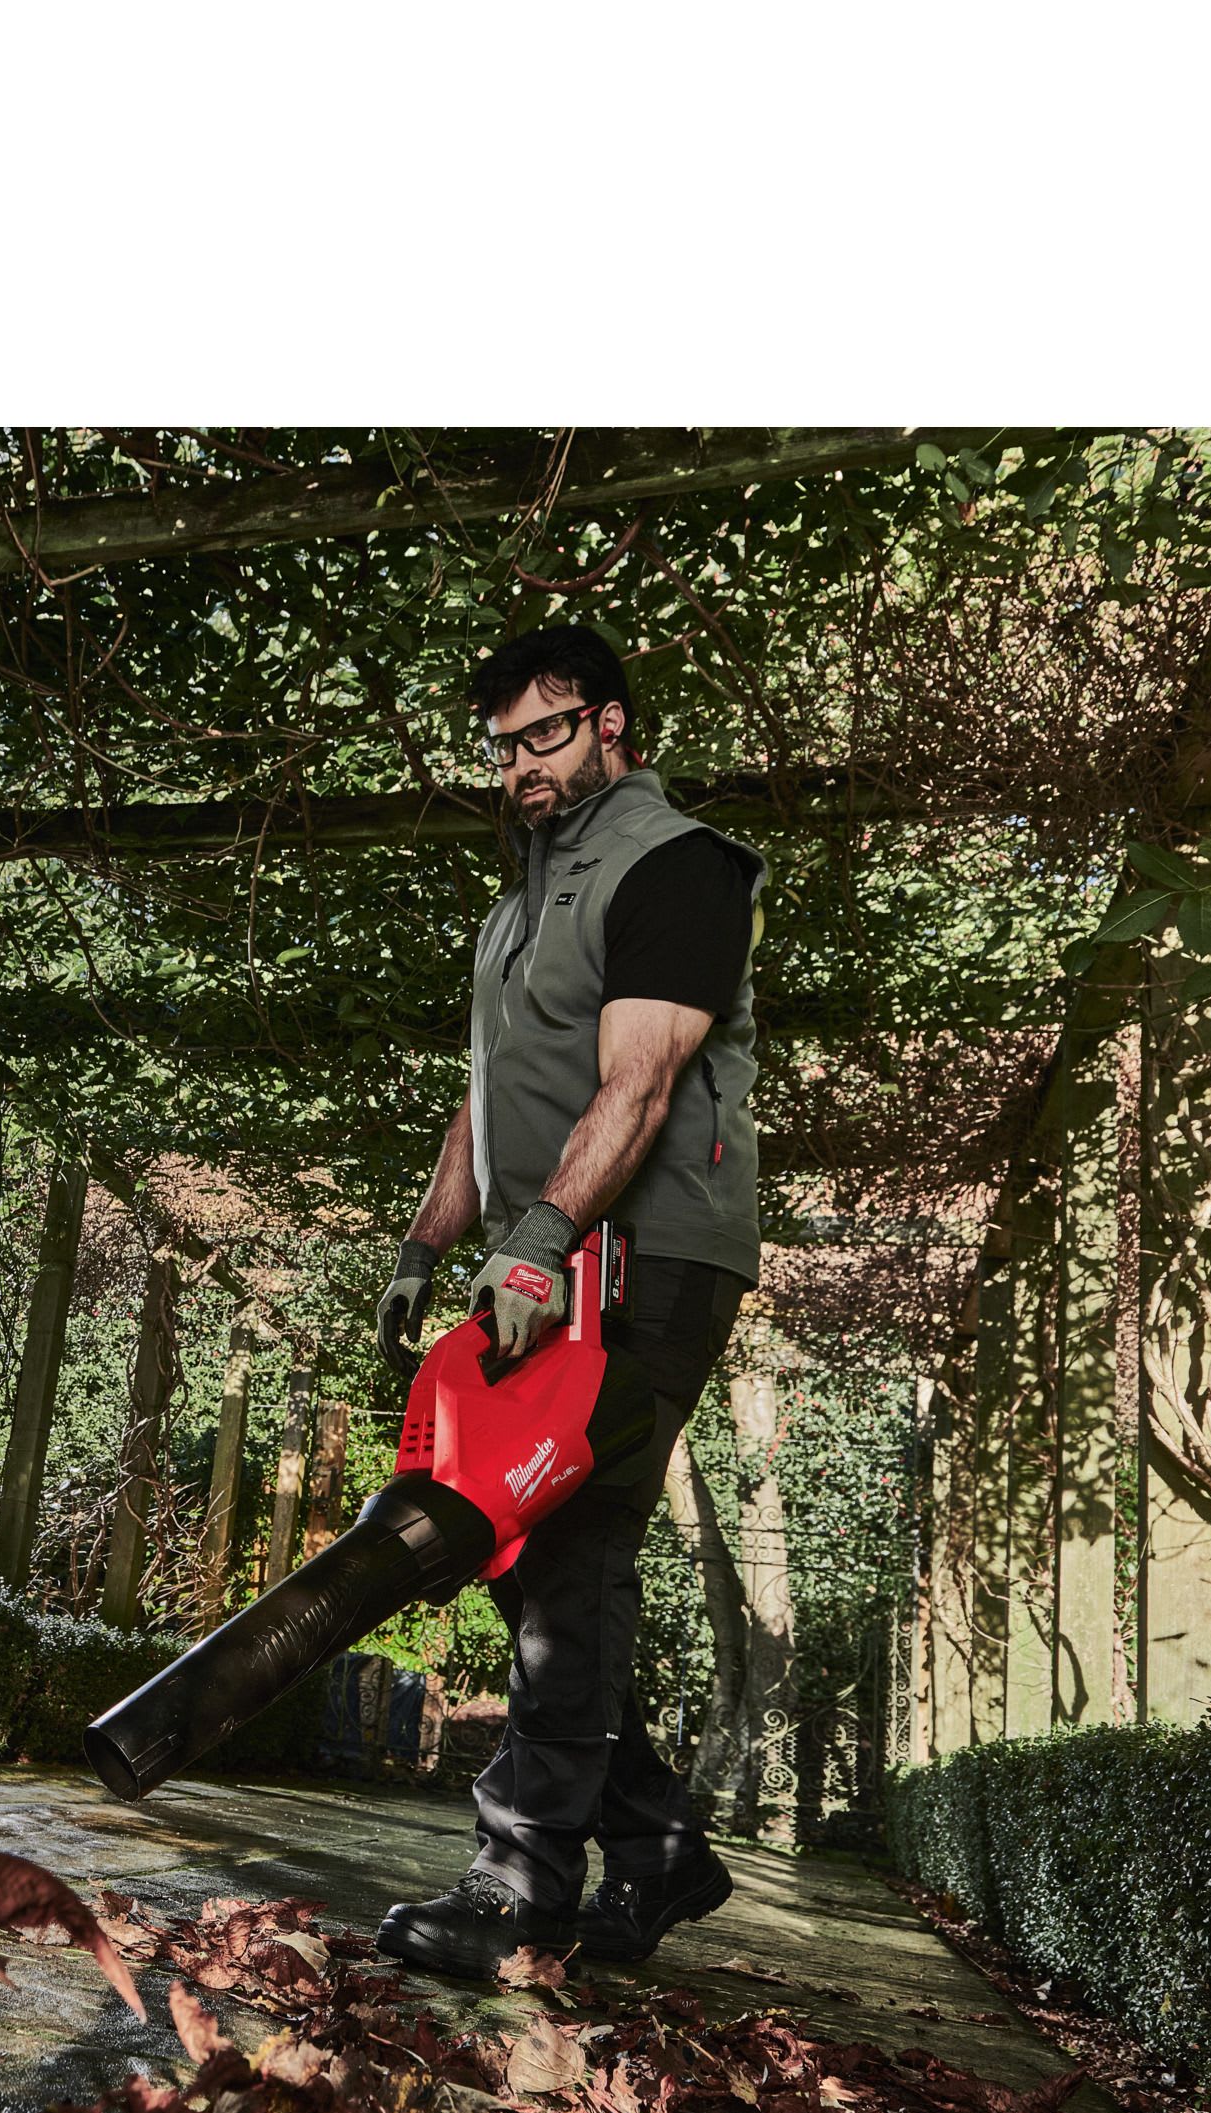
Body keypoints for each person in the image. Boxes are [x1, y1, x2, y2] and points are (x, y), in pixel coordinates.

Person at [371, 624, 764, 1977]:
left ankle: (521, 1887)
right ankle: (657, 1844)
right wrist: (426, 1246)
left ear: (611, 723)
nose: (520, 767)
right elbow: (486, 1100)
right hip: (534, 1262)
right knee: (517, 1548)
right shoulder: (515, 908)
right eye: (503, 748)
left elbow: (640, 1085)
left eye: (544, 735)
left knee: (572, 1545)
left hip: (647, 1256)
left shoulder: (678, 865)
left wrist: (540, 1238)